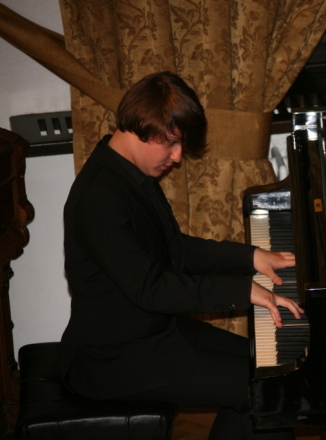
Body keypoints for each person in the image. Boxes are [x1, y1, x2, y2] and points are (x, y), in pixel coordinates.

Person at [60, 71, 303, 439]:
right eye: (171, 143)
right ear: (141, 127)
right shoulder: (99, 198)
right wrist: (243, 290)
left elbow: (176, 248)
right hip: (118, 358)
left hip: (157, 333)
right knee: (271, 389)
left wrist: (252, 257)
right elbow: (152, 289)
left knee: (272, 368)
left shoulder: (130, 174)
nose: (176, 157)